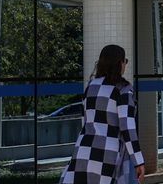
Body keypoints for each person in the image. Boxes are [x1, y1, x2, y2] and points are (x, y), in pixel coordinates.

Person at [61, 44, 146, 184]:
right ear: (119, 63)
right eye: (125, 61)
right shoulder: (123, 90)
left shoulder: (91, 86)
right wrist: (138, 161)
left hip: (83, 150)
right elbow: (127, 127)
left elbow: (85, 121)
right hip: (107, 153)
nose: (125, 65)